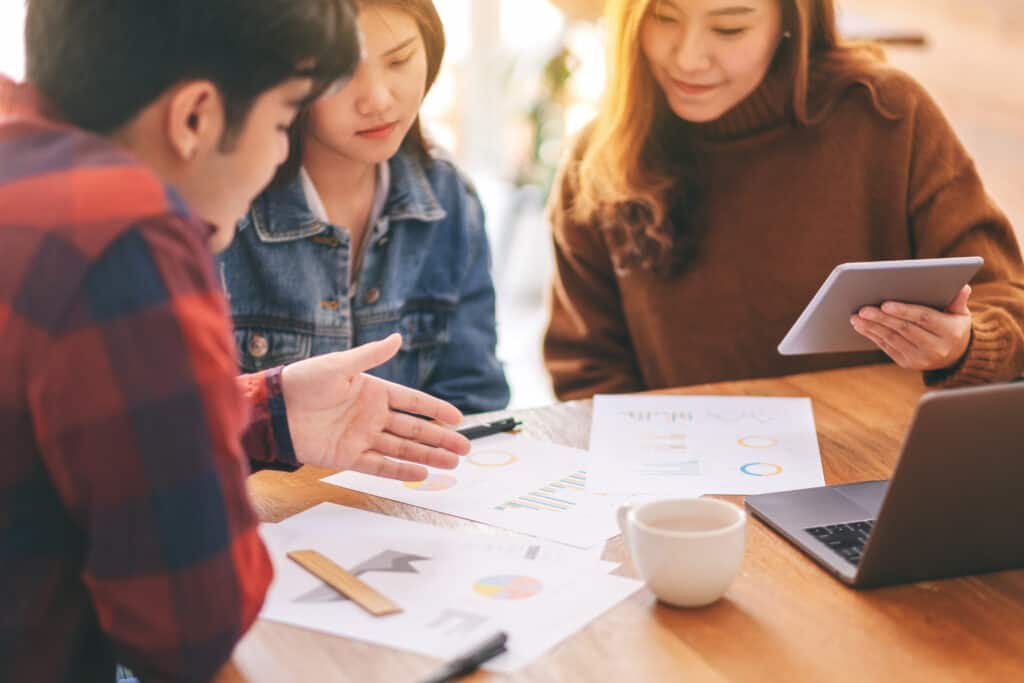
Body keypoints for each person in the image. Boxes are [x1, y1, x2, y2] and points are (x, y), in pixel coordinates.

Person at [0, 1, 470, 681]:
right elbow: (189, 629)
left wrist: (267, 406)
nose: (283, 150)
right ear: (194, 118)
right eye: (284, 121)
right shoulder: (129, 241)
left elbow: (79, 421)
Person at [544, 0, 1024, 399]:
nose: (688, 57)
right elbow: (586, 372)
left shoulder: (885, 116)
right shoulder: (599, 160)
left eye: (729, 28)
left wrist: (964, 345)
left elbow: (1008, 303)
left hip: (872, 467)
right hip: (680, 493)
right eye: (664, 17)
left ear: (791, 21)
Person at [217, 0, 510, 415]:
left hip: (413, 480)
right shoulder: (222, 210)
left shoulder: (449, 197)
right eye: (340, 73)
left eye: (400, 59)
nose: (377, 99)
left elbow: (474, 399)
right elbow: (192, 423)